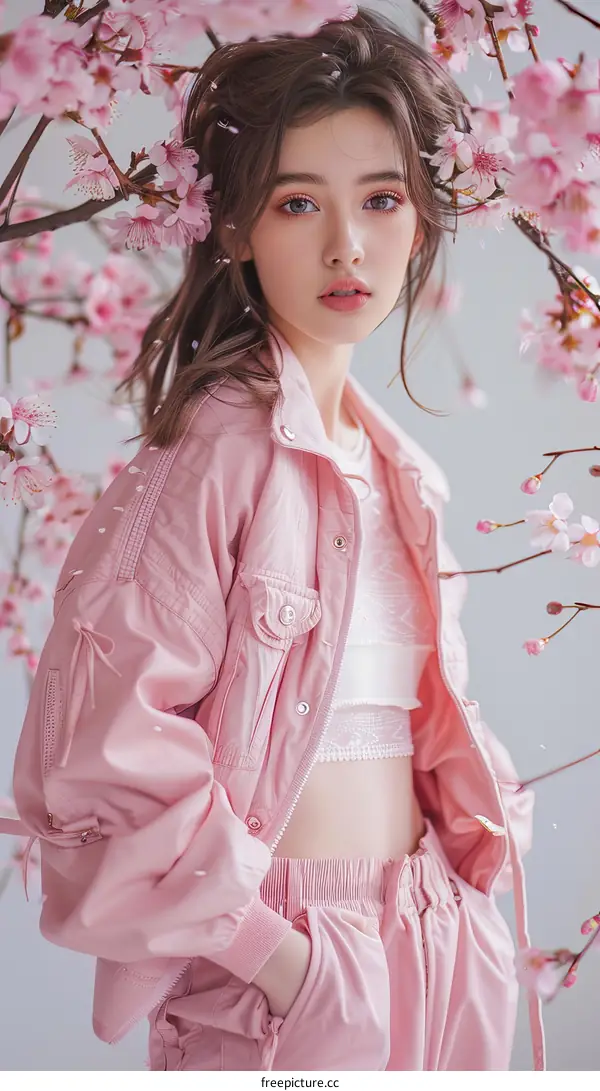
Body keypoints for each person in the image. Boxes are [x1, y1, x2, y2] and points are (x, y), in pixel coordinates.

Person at [5, 6, 544, 1074]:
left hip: (437, 935)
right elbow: (96, 752)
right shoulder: (214, 453)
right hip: (289, 975)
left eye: (381, 199)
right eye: (298, 203)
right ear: (238, 227)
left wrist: (469, 889)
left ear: (424, 220)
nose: (347, 244)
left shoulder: (401, 472)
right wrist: (287, 963)